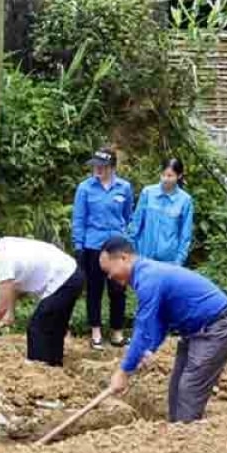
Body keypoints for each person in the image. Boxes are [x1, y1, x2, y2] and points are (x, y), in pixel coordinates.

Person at [99, 237, 227, 422]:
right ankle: (175, 432)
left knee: (189, 387)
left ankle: (186, 438)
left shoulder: (148, 277)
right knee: (175, 388)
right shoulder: (146, 275)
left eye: (110, 271)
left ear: (124, 258)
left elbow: (143, 327)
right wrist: (148, 350)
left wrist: (123, 371)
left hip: (216, 328)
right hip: (194, 331)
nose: (110, 277)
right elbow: (161, 321)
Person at [0, 231, 84, 367]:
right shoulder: (5, 244)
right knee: (54, 326)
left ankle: (36, 368)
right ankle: (53, 365)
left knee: (37, 327)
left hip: (64, 279)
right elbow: (14, 285)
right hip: (72, 273)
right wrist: (10, 312)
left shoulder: (0, 259)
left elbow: (1, 306)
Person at [72, 147, 134, 350]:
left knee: (118, 290)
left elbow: (128, 216)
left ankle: (117, 332)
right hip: (93, 245)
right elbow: (79, 219)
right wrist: (78, 246)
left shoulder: (124, 188)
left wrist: (127, 240)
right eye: (95, 165)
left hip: (117, 247)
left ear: (112, 167)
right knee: (94, 290)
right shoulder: (85, 188)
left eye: (102, 166)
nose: (97, 169)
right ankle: (96, 332)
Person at [130, 158, 194, 266]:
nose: (165, 179)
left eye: (170, 176)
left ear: (179, 176)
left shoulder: (185, 200)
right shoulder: (148, 193)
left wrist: (179, 261)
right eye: (163, 175)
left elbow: (185, 235)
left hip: (169, 261)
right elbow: (135, 225)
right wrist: (132, 250)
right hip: (143, 257)